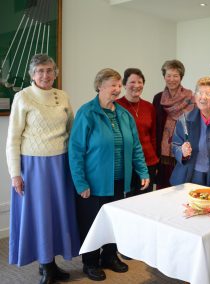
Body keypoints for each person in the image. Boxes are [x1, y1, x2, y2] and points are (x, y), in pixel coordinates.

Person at [68, 68, 150, 281]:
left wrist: (142, 170)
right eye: (112, 85)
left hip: (120, 180)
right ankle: (91, 262)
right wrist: (80, 182)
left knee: (114, 221)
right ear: (99, 87)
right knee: (93, 223)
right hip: (94, 182)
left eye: (118, 85)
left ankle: (110, 256)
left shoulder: (124, 114)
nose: (117, 89)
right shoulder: (87, 113)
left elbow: (136, 147)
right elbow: (75, 151)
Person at [6, 54, 80, 284]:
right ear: (32, 75)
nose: (45, 75)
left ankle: (52, 263)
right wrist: (15, 174)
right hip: (33, 166)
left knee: (57, 214)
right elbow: (13, 138)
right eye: (40, 71)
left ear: (55, 73)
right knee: (40, 215)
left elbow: (72, 129)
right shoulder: (22, 97)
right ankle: (45, 266)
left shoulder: (63, 96)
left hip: (61, 164)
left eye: (49, 70)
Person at [153, 59, 194, 189]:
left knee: (181, 191)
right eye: (168, 75)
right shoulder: (158, 98)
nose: (172, 79)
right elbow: (155, 127)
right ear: (164, 77)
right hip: (163, 155)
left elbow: (194, 126)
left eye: (175, 76)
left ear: (181, 77)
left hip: (183, 153)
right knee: (163, 192)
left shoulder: (190, 97)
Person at [117, 68, 158, 195]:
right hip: (127, 163)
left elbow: (153, 137)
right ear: (124, 84)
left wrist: (155, 161)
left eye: (140, 82)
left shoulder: (149, 107)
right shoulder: (116, 106)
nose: (137, 86)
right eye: (132, 82)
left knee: (146, 201)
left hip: (149, 162)